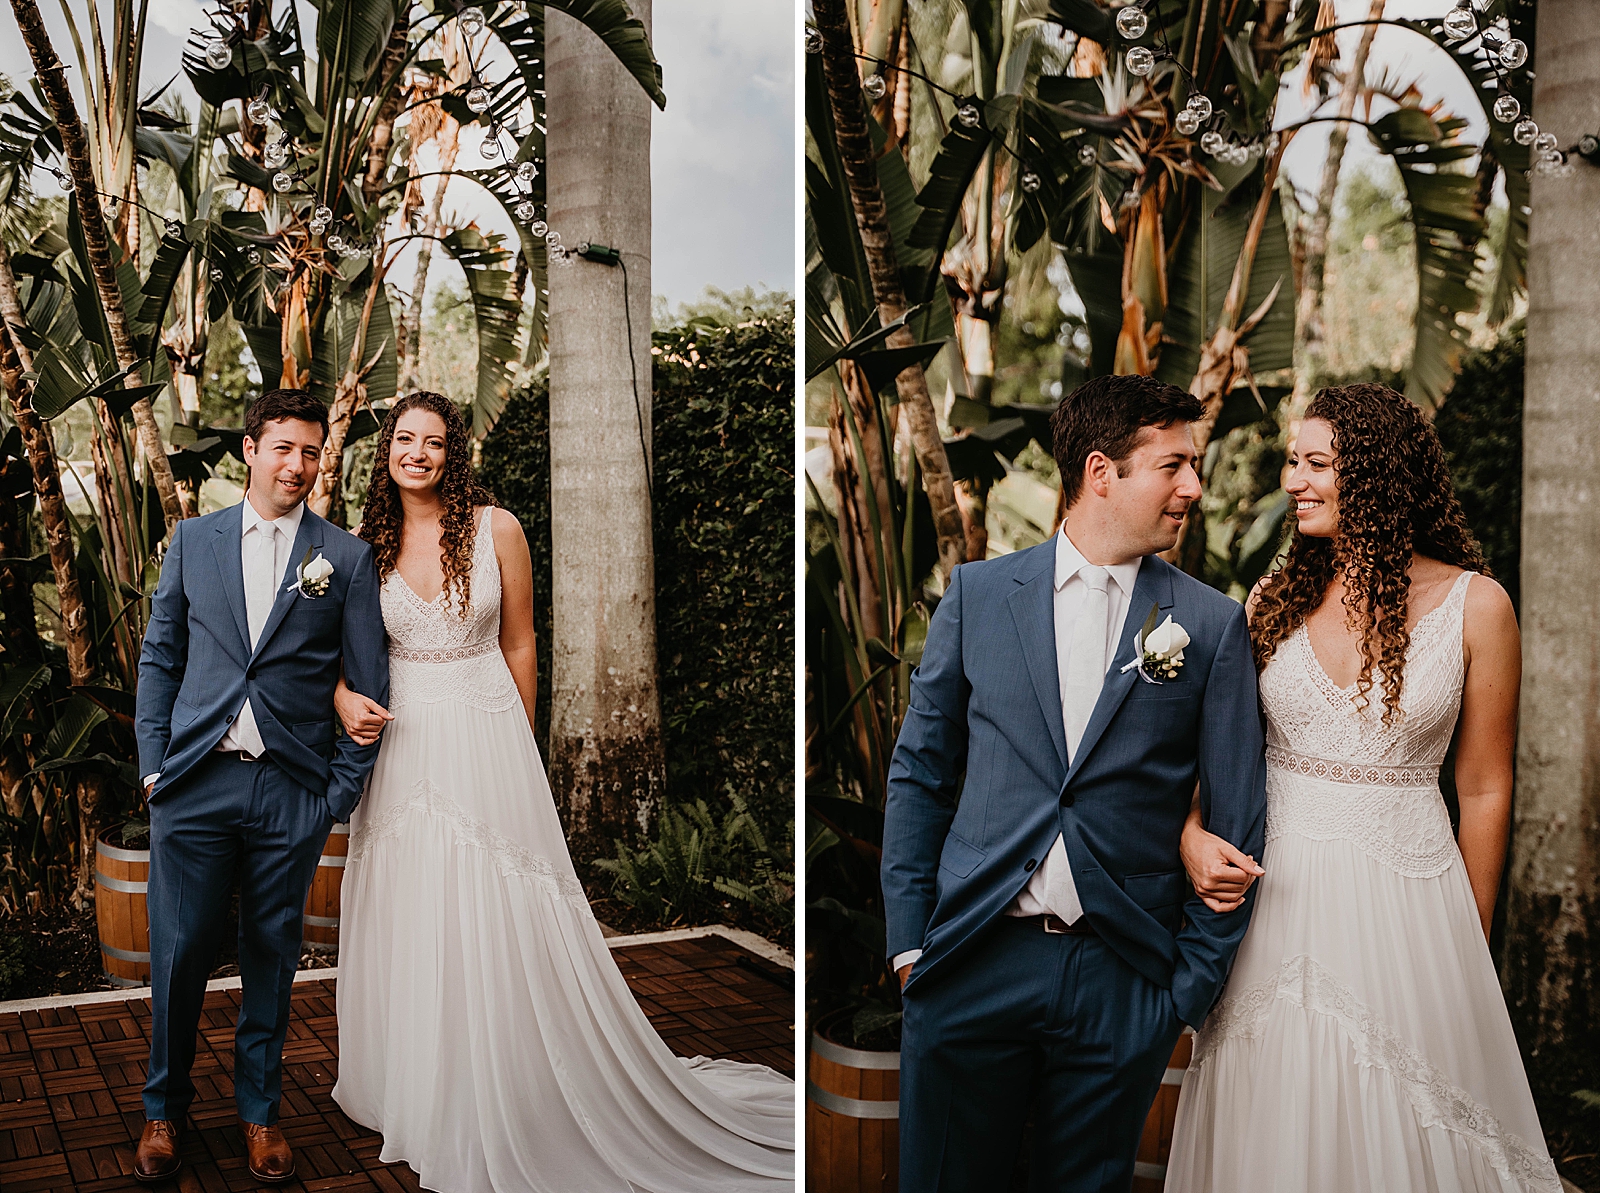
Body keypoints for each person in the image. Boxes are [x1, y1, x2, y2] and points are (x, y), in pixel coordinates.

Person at [326, 391, 794, 1192]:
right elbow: (336, 658)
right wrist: (342, 698)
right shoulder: (361, 546)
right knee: (414, 896)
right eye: (404, 439)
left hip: (486, 729)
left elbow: (520, 640)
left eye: (433, 441)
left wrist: (521, 740)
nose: (417, 453)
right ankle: (413, 1080)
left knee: (496, 895)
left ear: (453, 452)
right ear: (387, 451)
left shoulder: (497, 528)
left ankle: (507, 1077)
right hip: (402, 740)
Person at [880, 373, 1268, 1191]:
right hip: (974, 959)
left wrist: (1181, 992)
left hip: (1120, 980)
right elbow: (920, 774)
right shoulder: (978, 596)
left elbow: (1238, 819)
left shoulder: (1210, 624)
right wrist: (913, 949)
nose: (1193, 488)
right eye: (1173, 465)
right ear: (1101, 472)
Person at [1167, 384, 1559, 1192]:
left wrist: (1469, 942)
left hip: (1413, 910)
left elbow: (1485, 788)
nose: (1293, 481)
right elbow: (1220, 755)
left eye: (1316, 463)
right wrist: (1192, 831)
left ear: (1376, 474)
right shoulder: (1272, 599)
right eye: (1292, 461)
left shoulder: (1478, 607)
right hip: (1277, 902)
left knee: (1410, 1120)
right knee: (1276, 1115)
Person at [132, 389, 389, 1183]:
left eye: (311, 451)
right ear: (250, 450)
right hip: (195, 783)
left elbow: (369, 686)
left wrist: (333, 796)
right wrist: (154, 768)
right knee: (178, 954)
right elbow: (161, 657)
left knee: (272, 956)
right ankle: (162, 1111)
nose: (297, 465)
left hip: (290, 791)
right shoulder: (192, 540)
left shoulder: (343, 557)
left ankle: (260, 1113)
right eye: (283, 447)